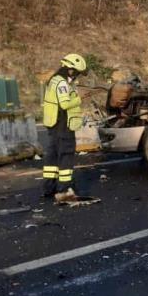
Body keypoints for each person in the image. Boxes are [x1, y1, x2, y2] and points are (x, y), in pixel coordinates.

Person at [41, 54, 87, 198]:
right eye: (77, 73)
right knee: (66, 156)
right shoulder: (62, 83)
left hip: (54, 124)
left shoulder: (54, 80)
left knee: (52, 158)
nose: (77, 76)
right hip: (63, 125)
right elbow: (65, 104)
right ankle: (64, 189)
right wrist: (80, 99)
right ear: (71, 70)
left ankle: (49, 188)